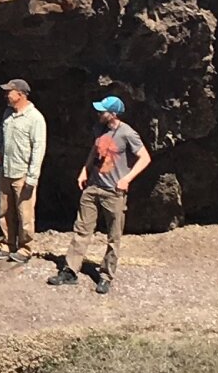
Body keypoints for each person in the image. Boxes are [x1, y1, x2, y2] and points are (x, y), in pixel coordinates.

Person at [49, 94, 151, 294]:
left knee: (114, 236)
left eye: (102, 111)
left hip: (113, 192)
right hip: (92, 188)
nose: (98, 113)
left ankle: (106, 276)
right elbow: (94, 151)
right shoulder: (99, 129)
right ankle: (70, 271)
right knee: (81, 230)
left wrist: (127, 179)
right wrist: (85, 170)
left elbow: (145, 158)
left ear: (113, 114)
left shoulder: (128, 133)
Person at [0, 79, 45, 263]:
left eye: (9, 92)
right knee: (5, 211)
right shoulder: (8, 114)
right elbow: (1, 134)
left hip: (23, 173)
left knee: (25, 214)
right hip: (6, 170)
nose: (6, 95)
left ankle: (25, 249)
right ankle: (7, 244)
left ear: (20, 94)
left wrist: (32, 176)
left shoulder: (35, 118)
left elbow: (38, 148)